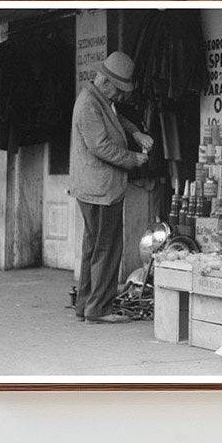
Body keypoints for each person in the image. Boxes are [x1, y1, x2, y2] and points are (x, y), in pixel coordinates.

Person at [70, 51, 152, 323]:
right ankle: (100, 309)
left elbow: (116, 118)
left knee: (93, 247)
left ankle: (86, 305)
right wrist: (133, 159)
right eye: (118, 91)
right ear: (105, 82)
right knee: (106, 248)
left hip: (96, 188)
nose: (120, 97)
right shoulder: (88, 105)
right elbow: (101, 146)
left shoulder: (99, 99)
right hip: (100, 190)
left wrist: (135, 132)